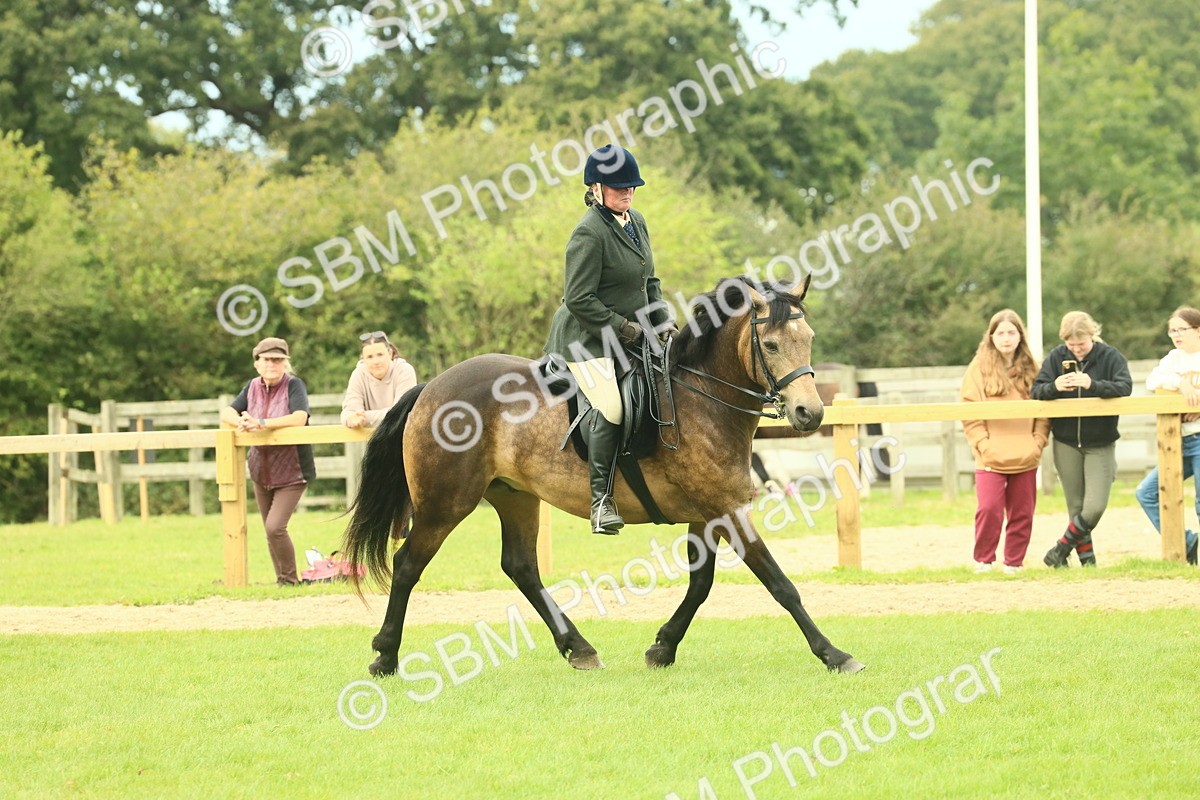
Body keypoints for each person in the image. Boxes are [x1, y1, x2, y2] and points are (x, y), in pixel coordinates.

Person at [543, 144, 675, 534]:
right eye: (619, 187)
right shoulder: (588, 233)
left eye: (631, 186)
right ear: (596, 189)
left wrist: (663, 319)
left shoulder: (636, 221)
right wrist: (624, 328)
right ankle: (601, 500)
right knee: (612, 407)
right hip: (587, 339)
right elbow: (579, 299)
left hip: (634, 334)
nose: (627, 192)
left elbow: (649, 281)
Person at [1031, 312, 1132, 568]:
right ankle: (1088, 562)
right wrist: (1055, 386)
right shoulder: (1056, 356)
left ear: (1092, 335)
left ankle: (1060, 548)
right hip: (1065, 441)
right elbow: (1036, 391)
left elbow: (1124, 387)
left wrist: (1092, 384)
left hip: (1100, 441)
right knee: (1075, 507)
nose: (1076, 350)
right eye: (1071, 345)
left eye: (1081, 344)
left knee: (1094, 506)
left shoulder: (1110, 356)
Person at [219, 337, 316, 586]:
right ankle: (283, 580)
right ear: (257, 364)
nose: (272, 364)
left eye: (278, 359)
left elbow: (299, 417)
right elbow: (228, 411)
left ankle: (289, 580)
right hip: (261, 470)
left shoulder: (295, 385)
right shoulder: (251, 387)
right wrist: (240, 421)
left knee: (275, 527)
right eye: (267, 359)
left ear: (285, 363)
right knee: (270, 530)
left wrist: (261, 422)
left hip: (293, 470)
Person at [960, 310, 1050, 574]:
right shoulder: (978, 369)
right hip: (990, 455)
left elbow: (1043, 411)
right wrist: (982, 444)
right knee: (989, 509)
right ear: (991, 336)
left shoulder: (1033, 368)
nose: (1006, 338)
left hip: (1026, 454)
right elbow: (969, 411)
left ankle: (1014, 562)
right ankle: (984, 560)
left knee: (1022, 513)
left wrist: (1038, 441)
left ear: (1020, 336)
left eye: (1012, 332)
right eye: (1000, 333)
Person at [1134, 307, 1200, 566]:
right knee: (1146, 492)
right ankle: (1189, 542)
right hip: (1177, 442)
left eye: (1181, 330)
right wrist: (1181, 384)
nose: (1175, 335)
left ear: (1197, 330)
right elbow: (1153, 380)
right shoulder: (1173, 358)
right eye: (1172, 330)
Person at [341, 330, 418, 428]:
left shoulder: (405, 370)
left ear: (390, 353)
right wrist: (351, 419)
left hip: (405, 437)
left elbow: (400, 414)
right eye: (369, 357)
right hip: (374, 439)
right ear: (363, 359)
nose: (375, 361)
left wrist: (364, 418)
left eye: (380, 355)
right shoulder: (358, 374)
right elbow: (348, 414)